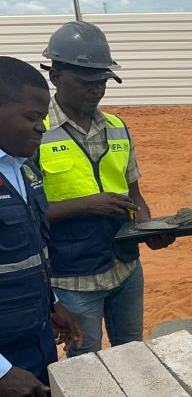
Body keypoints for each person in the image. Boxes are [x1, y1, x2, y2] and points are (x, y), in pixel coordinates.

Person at [37, 21, 174, 357]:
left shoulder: (117, 127)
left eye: (103, 81)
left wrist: (148, 229)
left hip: (125, 269)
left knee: (133, 353)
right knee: (87, 365)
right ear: (56, 77)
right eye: (87, 81)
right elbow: (28, 215)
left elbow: (134, 195)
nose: (97, 89)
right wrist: (88, 204)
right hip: (73, 279)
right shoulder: (34, 132)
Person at [0, 56, 82, 397]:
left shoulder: (24, 170)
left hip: (36, 342)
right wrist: (1, 372)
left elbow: (30, 251)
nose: (42, 127)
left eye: (44, 117)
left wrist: (52, 304)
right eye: (32, 117)